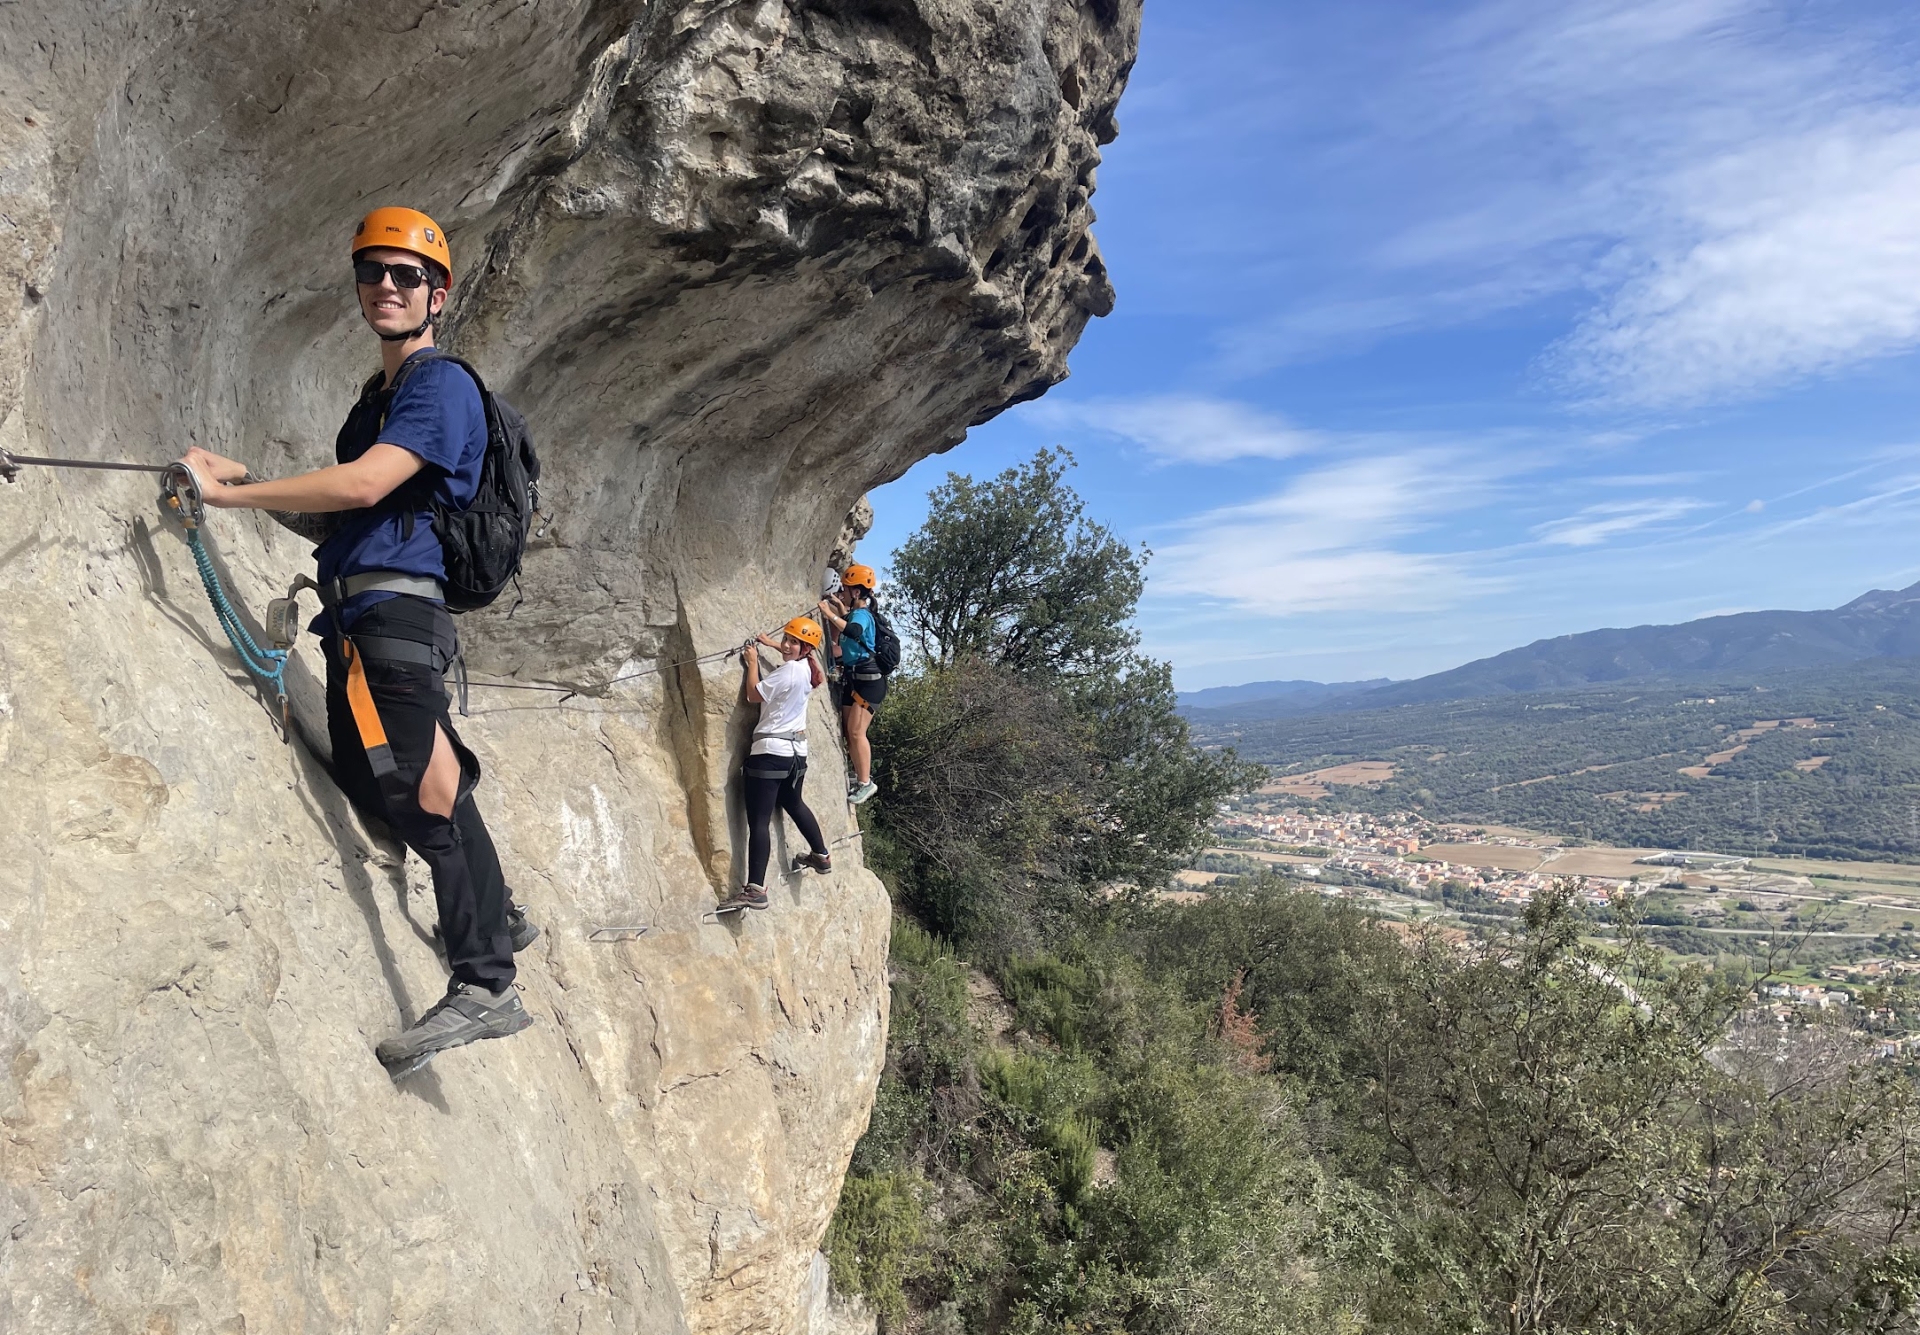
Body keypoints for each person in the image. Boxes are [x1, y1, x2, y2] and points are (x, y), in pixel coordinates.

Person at [177, 206, 532, 1073]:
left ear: (437, 295)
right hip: (358, 616)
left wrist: (226, 500)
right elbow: (345, 515)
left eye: (406, 275)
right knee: (397, 781)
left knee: (423, 787)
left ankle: (487, 979)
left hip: (394, 618)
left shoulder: (440, 385)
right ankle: (500, 912)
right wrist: (245, 479)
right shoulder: (378, 398)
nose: (386, 285)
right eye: (373, 271)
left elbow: (370, 481)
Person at [714, 617, 834, 913]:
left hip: (770, 753)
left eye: (795, 643)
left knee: (758, 820)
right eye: (787, 639)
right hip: (796, 754)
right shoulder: (808, 669)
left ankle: (755, 890)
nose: (788, 645)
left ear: (806, 648)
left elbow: (753, 694)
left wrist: (753, 661)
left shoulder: (790, 671)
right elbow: (789, 657)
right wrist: (772, 645)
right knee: (794, 803)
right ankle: (821, 855)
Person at [817, 563, 885, 805]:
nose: (843, 592)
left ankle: (866, 783)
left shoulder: (863, 615)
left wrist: (829, 614)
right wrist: (838, 606)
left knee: (857, 732)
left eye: (846, 589)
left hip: (868, 683)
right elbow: (850, 621)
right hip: (856, 680)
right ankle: (860, 775)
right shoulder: (855, 611)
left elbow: (854, 630)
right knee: (849, 732)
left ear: (856, 592)